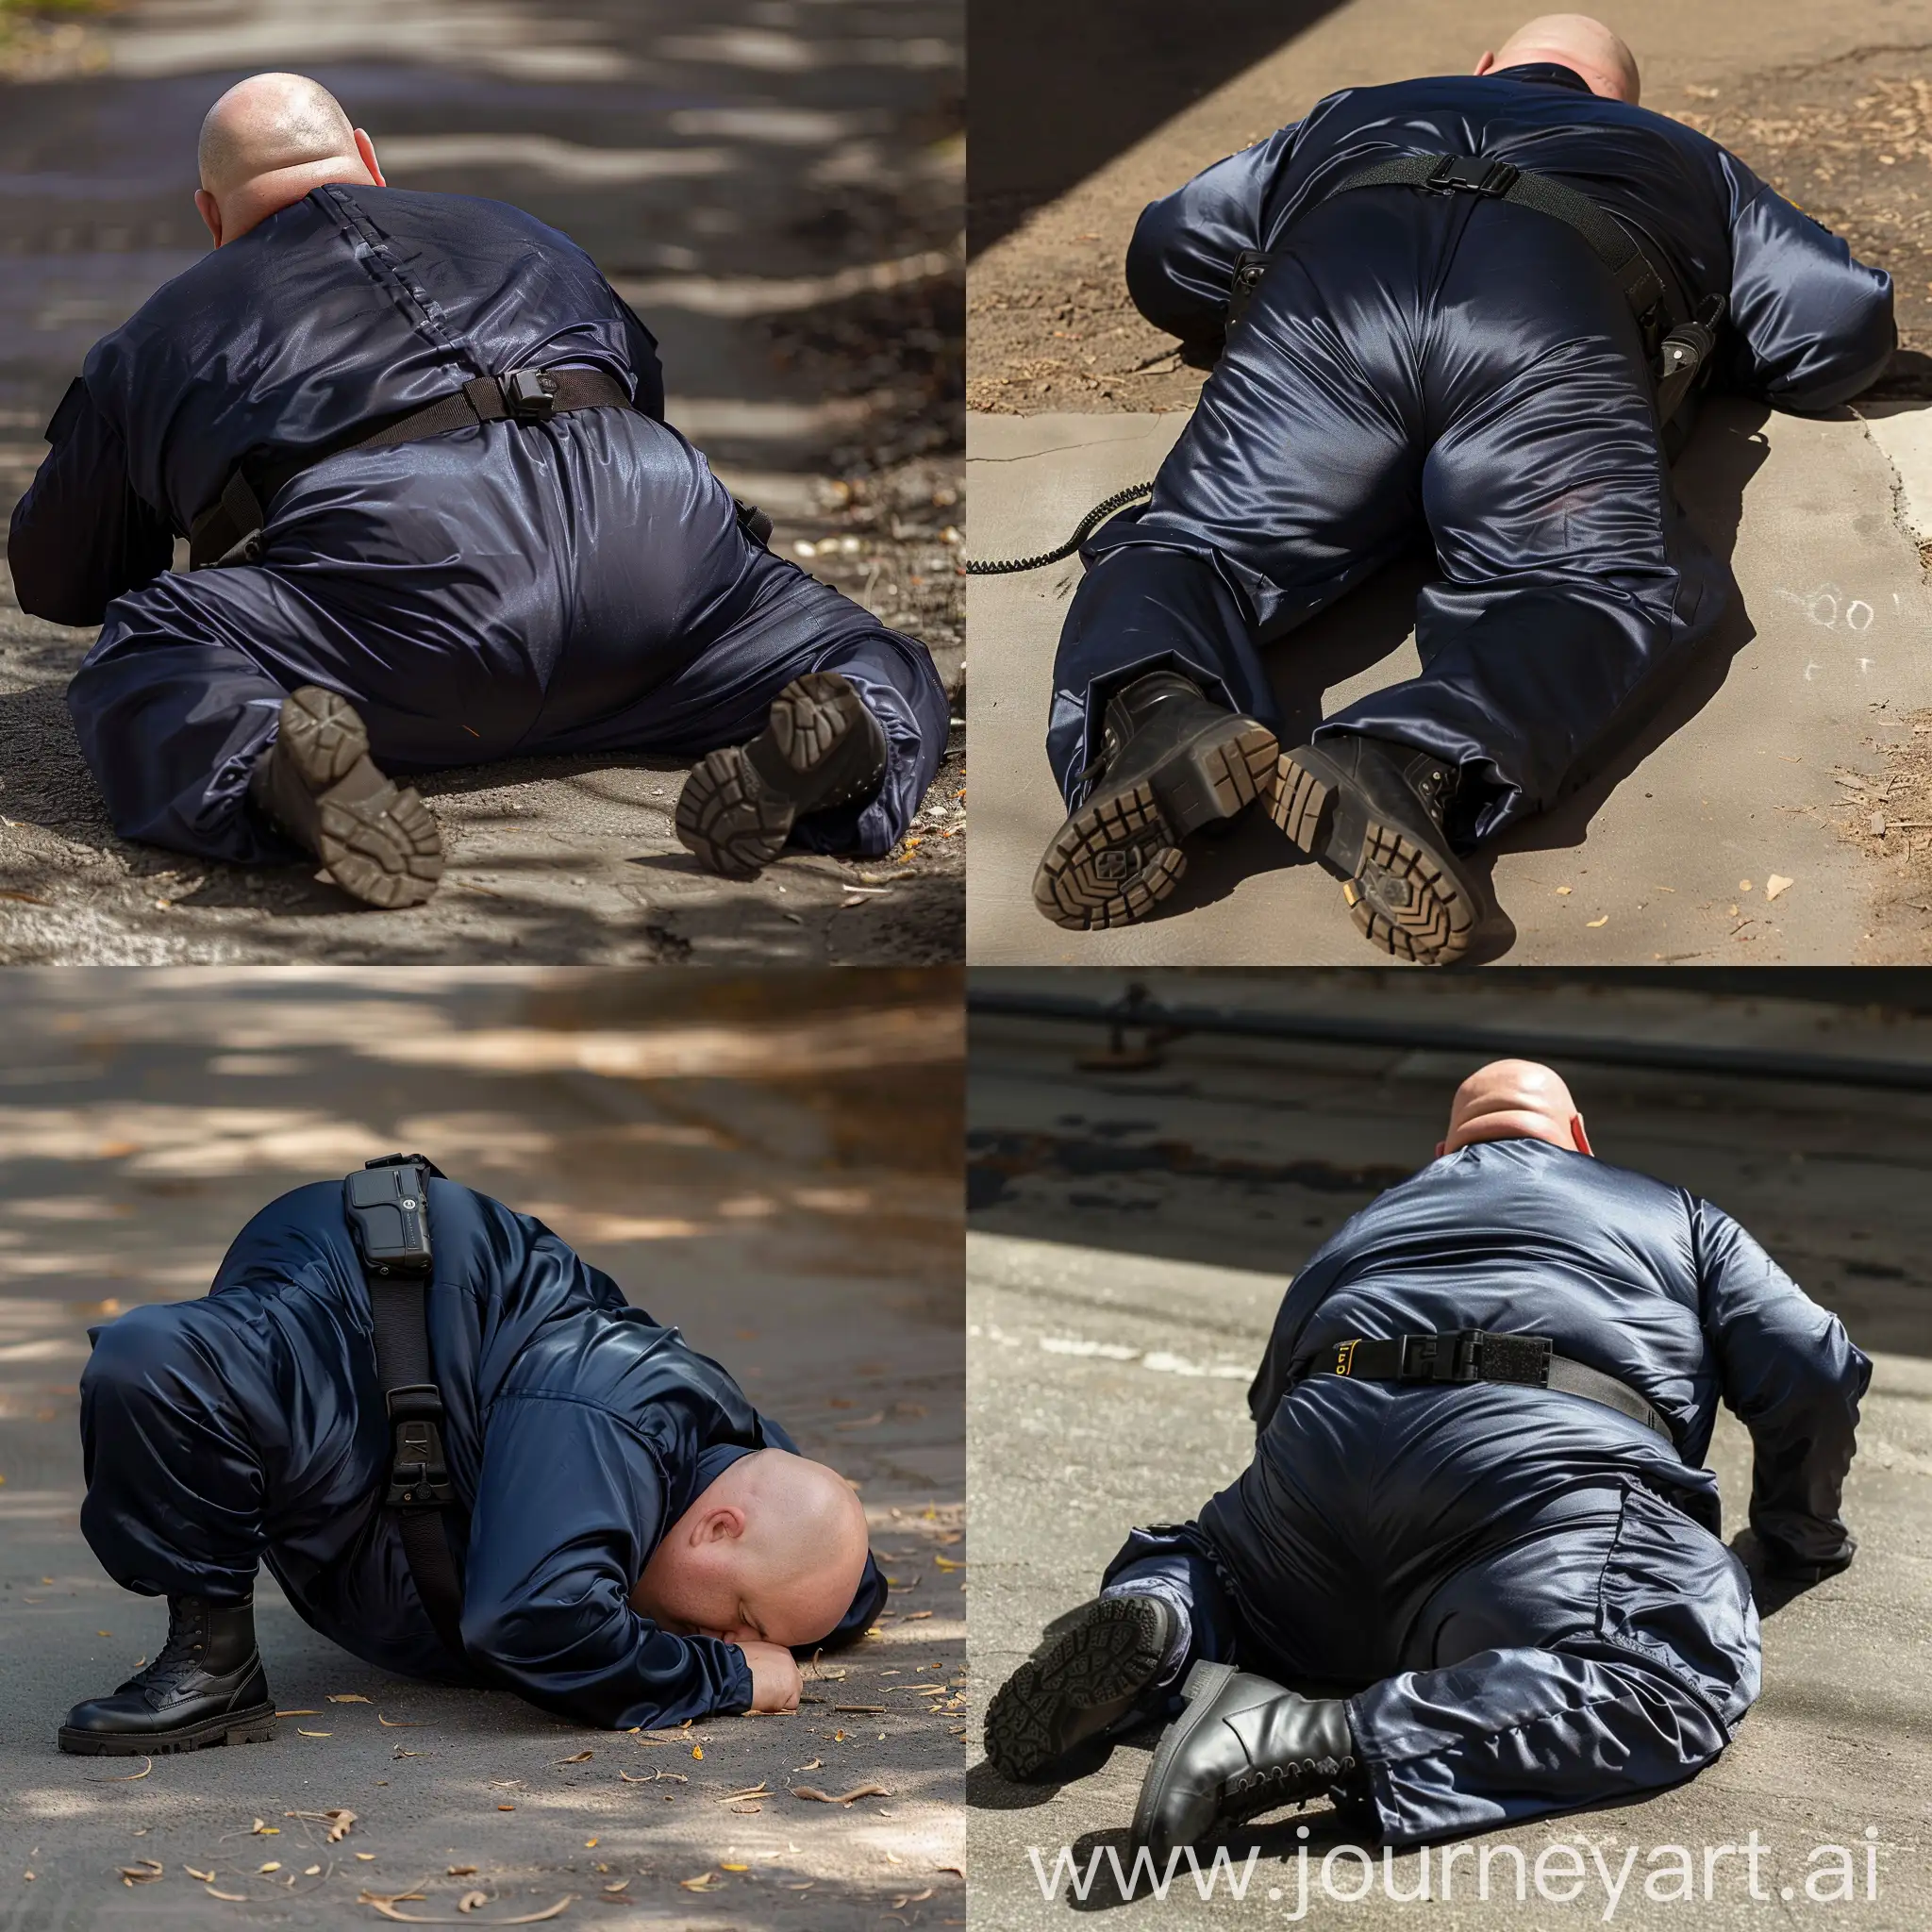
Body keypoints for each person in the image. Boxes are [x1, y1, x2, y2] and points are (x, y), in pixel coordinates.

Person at [1031, 14, 1894, 961]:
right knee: (1588, 582)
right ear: (1617, 100)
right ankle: (1413, 756)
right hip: (1543, 323)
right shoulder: (1681, 151)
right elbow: (1837, 325)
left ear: (1482, 66)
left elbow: (1167, 250)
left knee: (1189, 544)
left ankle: (1153, 711)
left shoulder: (1354, 109)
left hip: (1331, 305)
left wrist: (1257, 288)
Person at [7, 74, 948, 908]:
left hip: (402, 608)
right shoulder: (526, 232)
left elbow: (60, 581)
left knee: (154, 638)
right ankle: (855, 733)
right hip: (649, 563)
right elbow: (640, 397)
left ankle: (273, 769)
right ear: (367, 158)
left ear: (210, 218)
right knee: (862, 648)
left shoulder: (158, 331)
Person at [984, 1059, 1869, 1856]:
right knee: (1664, 1673)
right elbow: (1813, 1369)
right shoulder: (1677, 1215)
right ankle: (1310, 1739)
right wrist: (1798, 1532)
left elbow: (1273, 1402)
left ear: (1444, 1148)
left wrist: (1306, 1536)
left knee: (1220, 1564)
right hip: (1533, 1509)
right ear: (1581, 1142)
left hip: (1317, 1500)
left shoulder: (1363, 1228)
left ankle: (1169, 1616)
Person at [57, 1167, 884, 1753]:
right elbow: (529, 1618)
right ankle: (212, 1661)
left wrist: (811, 1617)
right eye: (745, 1619)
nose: (741, 1639)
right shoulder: (605, 1420)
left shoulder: (744, 1458)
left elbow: (834, 1568)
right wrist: (727, 1678)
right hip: (343, 1330)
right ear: (717, 1527)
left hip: (438, 1320)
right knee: (150, 1364)